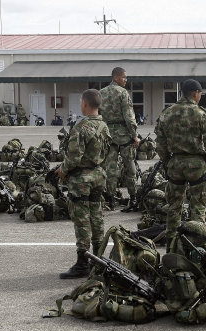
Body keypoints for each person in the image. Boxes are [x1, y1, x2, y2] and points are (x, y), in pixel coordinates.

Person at [155, 79, 206, 250]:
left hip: (175, 164)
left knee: (174, 208)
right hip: (197, 164)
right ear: (195, 93)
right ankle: (197, 249)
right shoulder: (200, 113)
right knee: (198, 209)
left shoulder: (167, 113)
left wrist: (168, 161)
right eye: (200, 94)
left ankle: (172, 246)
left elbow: (159, 142)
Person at [56, 89, 111, 279]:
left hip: (81, 179)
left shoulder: (81, 127)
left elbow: (73, 157)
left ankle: (82, 263)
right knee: (97, 217)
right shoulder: (104, 126)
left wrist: (62, 170)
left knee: (82, 221)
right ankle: (99, 260)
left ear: (85, 104)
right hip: (98, 176)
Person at [99, 67, 139, 210]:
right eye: (124, 77)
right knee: (130, 167)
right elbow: (129, 116)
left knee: (110, 168)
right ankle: (133, 197)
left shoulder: (101, 93)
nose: (126, 80)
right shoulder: (123, 93)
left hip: (108, 135)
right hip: (124, 135)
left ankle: (111, 199)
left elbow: (98, 116)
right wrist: (134, 135)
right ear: (115, 77)